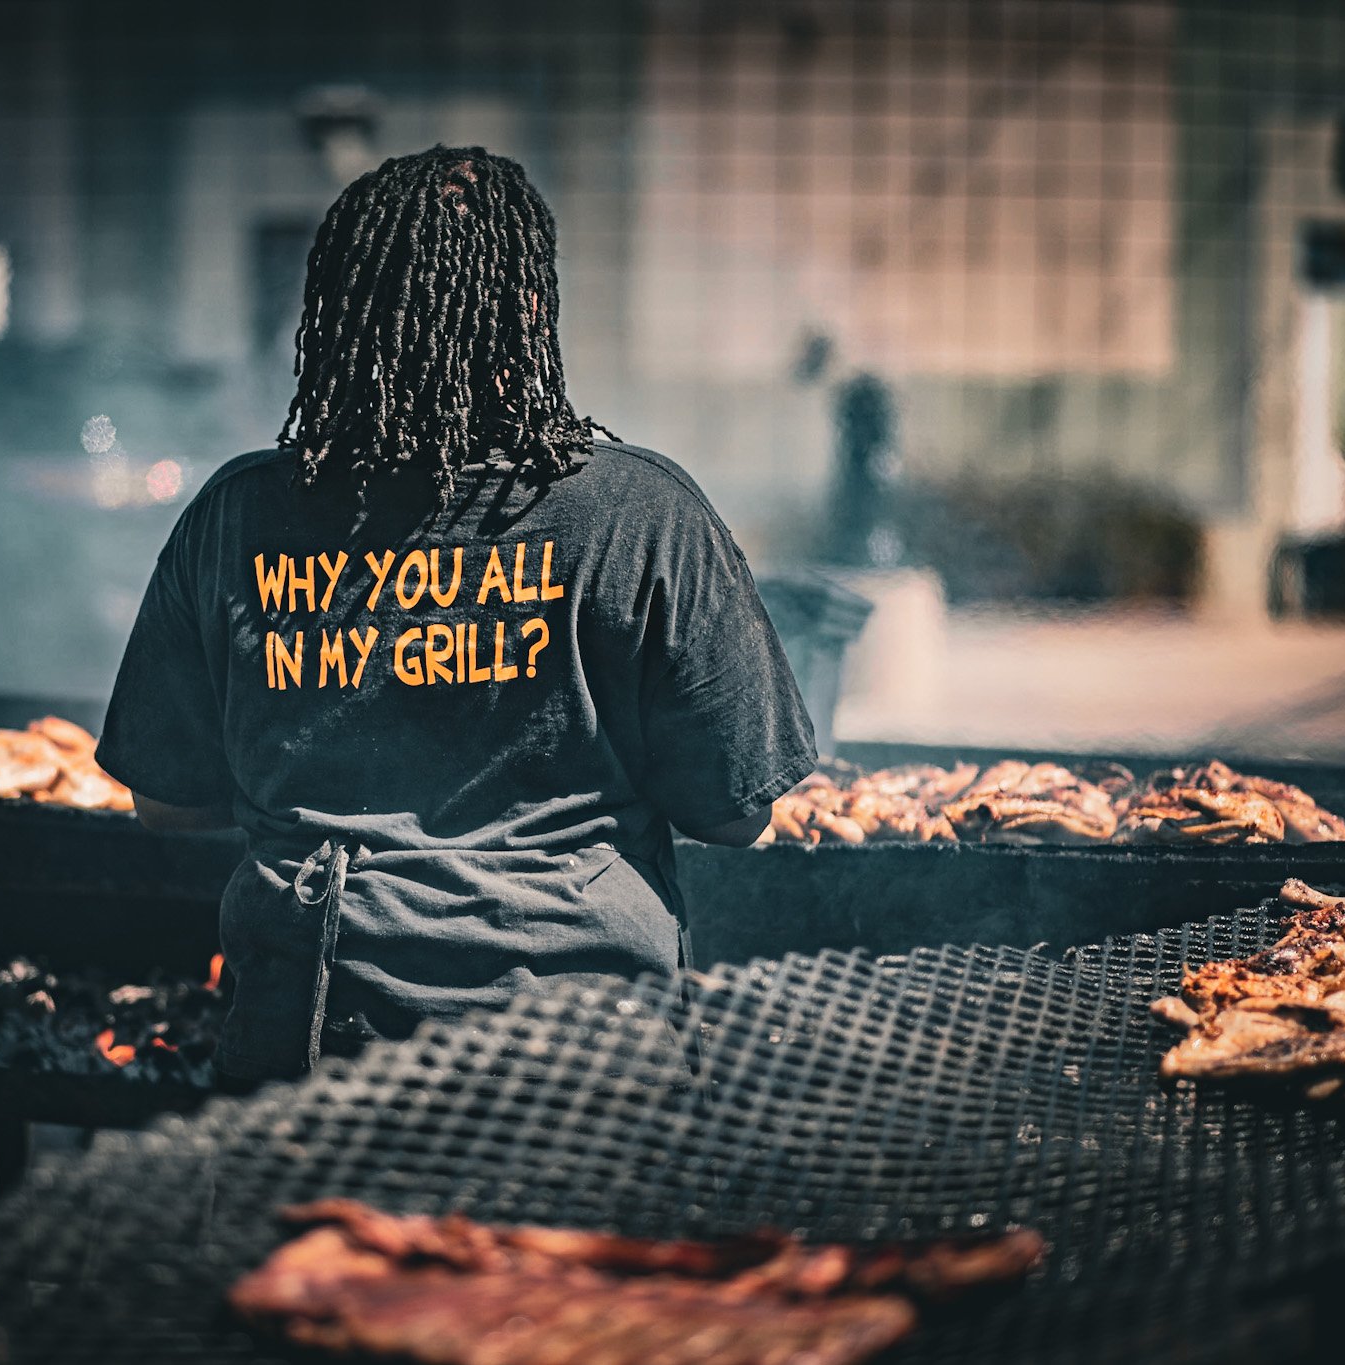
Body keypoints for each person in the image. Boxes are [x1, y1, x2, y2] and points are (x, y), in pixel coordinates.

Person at [98, 146, 815, 1087]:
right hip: (587, 1067)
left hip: (310, 1063)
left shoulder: (237, 515)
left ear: (337, 316)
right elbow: (736, 813)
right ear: (530, 311)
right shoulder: (641, 513)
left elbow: (166, 799)